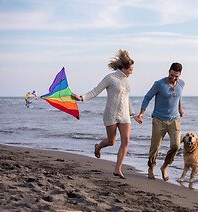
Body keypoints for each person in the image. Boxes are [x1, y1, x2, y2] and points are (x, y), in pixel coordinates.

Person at [72, 49, 142, 179]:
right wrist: (81, 98)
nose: (132, 72)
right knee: (111, 141)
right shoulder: (110, 78)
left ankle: (117, 169)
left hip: (125, 116)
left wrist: (134, 115)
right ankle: (98, 147)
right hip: (111, 114)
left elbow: (126, 99)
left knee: (125, 141)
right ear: (123, 68)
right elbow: (95, 91)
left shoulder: (126, 80)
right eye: (130, 69)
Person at [138, 63, 185, 181]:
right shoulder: (159, 84)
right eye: (172, 75)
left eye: (176, 76)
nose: (173, 78)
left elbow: (179, 96)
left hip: (174, 119)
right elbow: (147, 97)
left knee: (176, 146)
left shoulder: (181, 84)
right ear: (169, 71)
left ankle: (164, 167)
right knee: (155, 147)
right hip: (159, 120)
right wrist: (141, 113)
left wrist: (180, 108)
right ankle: (151, 168)